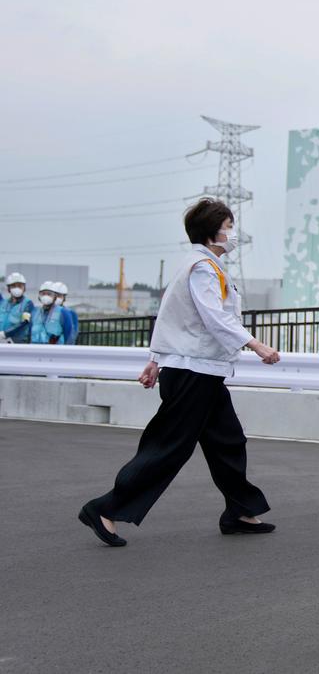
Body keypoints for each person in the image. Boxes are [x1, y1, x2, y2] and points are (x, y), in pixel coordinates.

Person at [78, 198, 282, 547]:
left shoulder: (204, 265)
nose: (233, 233)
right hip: (192, 372)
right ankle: (106, 509)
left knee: (228, 440)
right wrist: (256, 345)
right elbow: (214, 317)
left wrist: (155, 358)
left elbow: (172, 314)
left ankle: (240, 510)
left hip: (201, 371)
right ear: (212, 230)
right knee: (169, 446)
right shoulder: (202, 267)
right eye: (229, 226)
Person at [3, 272, 34, 343]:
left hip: (19, 344)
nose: (17, 288)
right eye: (13, 286)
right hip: (3, 342)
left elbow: (25, 322)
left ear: (24, 288)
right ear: (8, 289)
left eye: (20, 286)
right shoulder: (3, 303)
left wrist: (6, 333)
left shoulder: (28, 303)